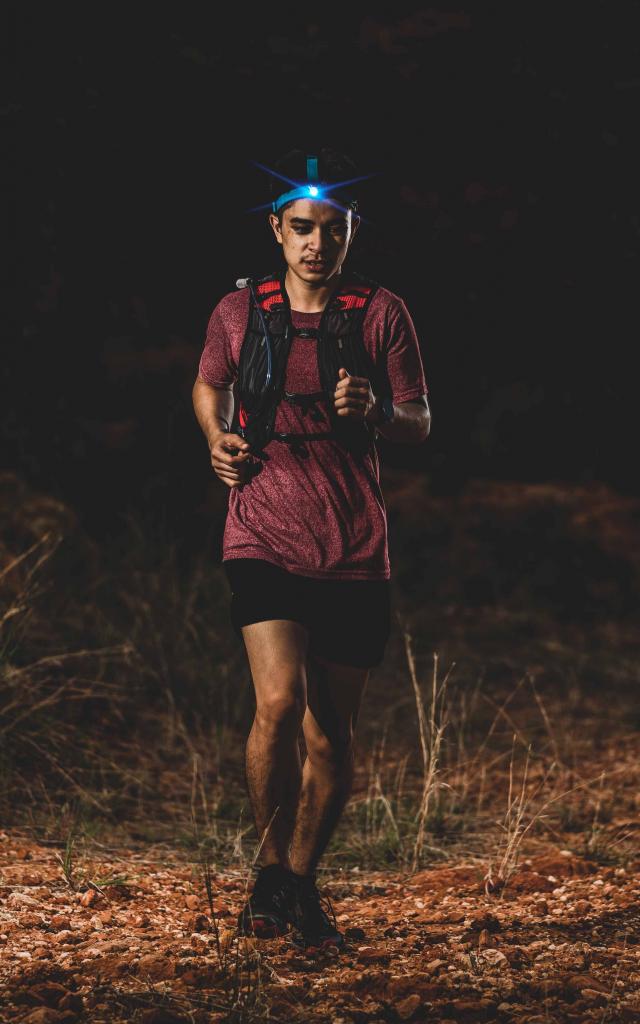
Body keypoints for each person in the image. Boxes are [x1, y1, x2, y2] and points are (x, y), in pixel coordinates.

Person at [192, 147, 430, 951]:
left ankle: (298, 882)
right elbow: (209, 384)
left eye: (332, 230)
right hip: (260, 530)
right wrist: (217, 440)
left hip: (355, 545)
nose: (316, 244)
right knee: (278, 702)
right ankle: (267, 875)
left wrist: (378, 410)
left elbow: (420, 419)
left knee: (330, 732)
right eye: (301, 228)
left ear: (351, 232)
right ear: (276, 230)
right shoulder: (239, 311)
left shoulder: (382, 313)